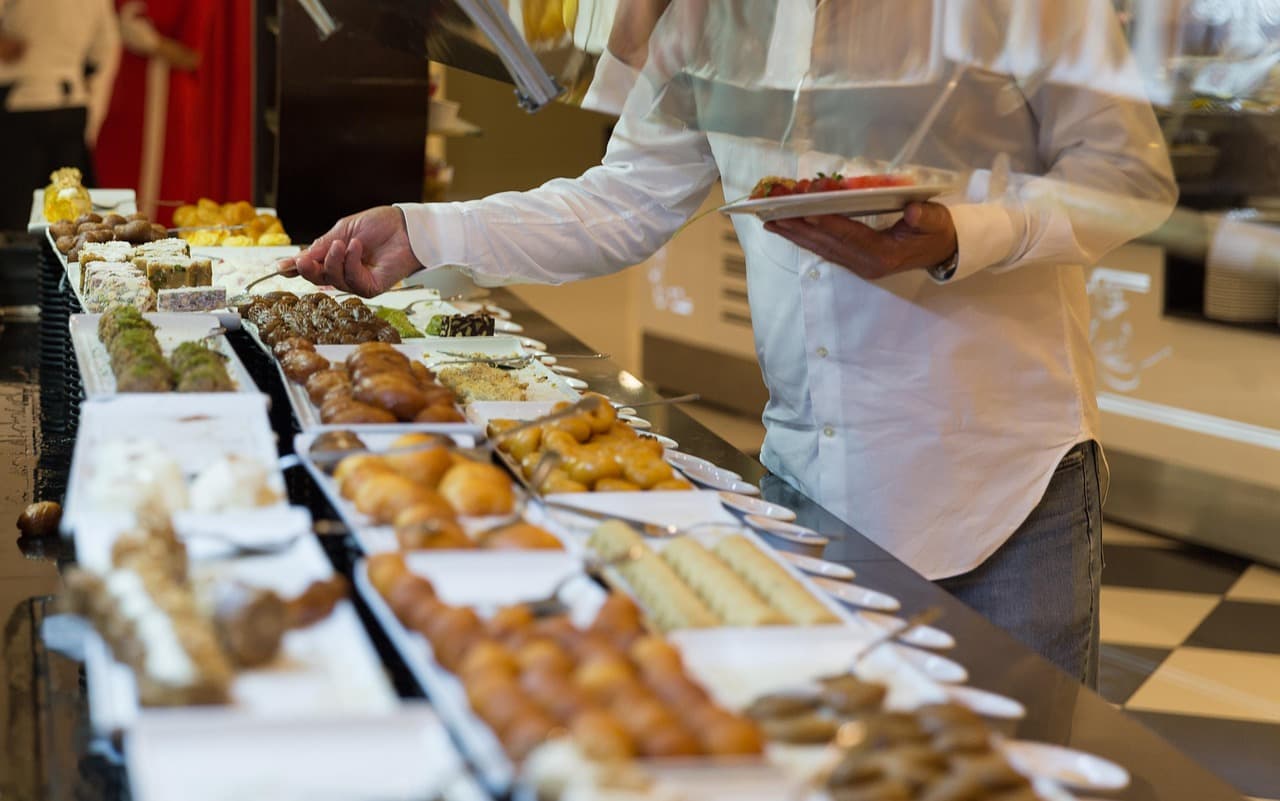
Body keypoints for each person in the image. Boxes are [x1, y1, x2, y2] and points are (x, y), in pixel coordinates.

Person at [284, 0, 1178, 686]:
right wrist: (423, 231)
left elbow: (1130, 177)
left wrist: (962, 233)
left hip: (1006, 488)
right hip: (807, 482)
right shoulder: (710, 17)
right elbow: (623, 201)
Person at [94, 0, 254, 222]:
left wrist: (153, 43)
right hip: (126, 93)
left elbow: (194, 57)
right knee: (114, 172)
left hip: (165, 99)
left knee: (165, 184)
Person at [0, 0, 120, 231]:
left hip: (22, 106)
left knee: (19, 215)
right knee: (69, 216)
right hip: (70, 103)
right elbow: (106, 46)